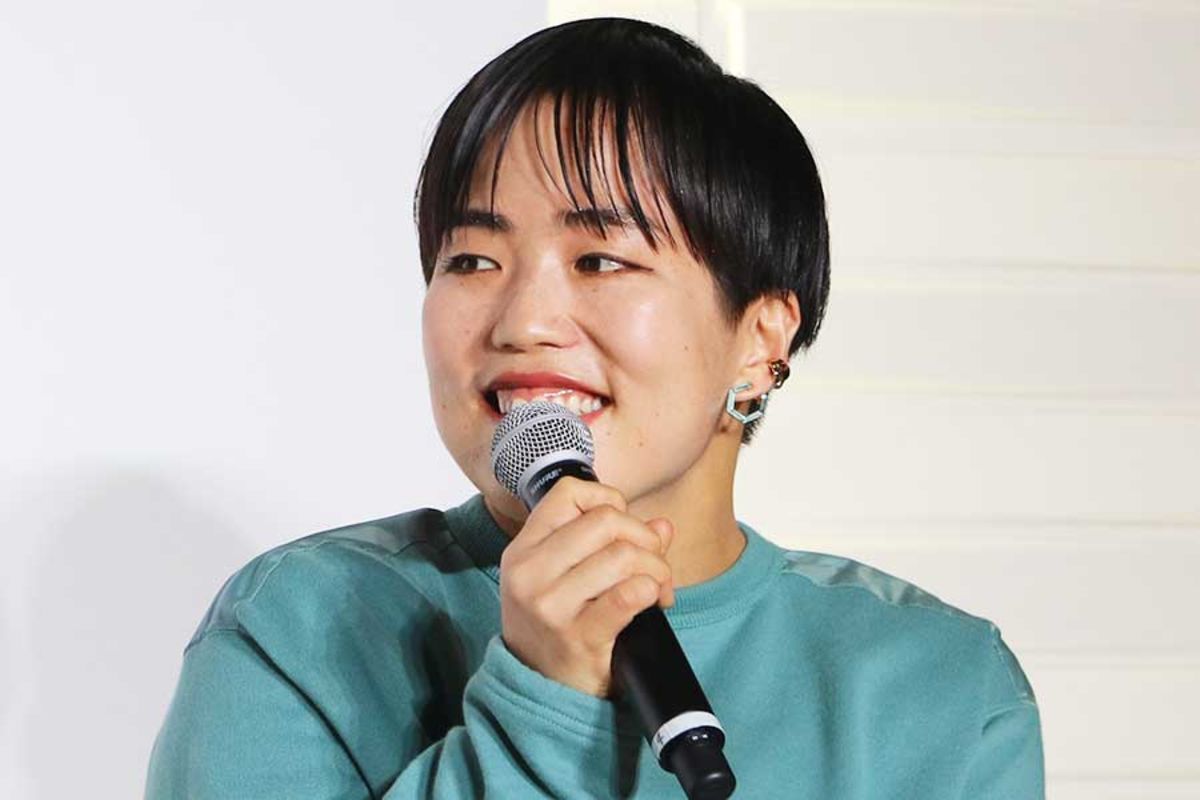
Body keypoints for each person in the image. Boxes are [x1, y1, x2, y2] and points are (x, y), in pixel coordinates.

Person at [145, 17, 1044, 799]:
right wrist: (543, 702)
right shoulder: (296, 630)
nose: (524, 322)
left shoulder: (938, 685)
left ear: (760, 340)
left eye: (600, 260)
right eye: (472, 260)